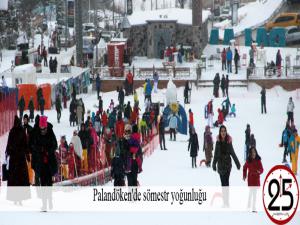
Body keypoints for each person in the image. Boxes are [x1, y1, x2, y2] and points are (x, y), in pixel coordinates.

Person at [31, 116, 58, 211]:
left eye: (44, 128)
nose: (42, 130)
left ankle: (49, 199)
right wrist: (40, 150)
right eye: (41, 128)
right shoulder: (37, 133)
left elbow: (55, 144)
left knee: (49, 183)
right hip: (41, 162)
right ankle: (44, 204)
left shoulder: (50, 132)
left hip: (49, 162)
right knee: (43, 183)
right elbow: (33, 145)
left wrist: (48, 150)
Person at [212, 125, 241, 207]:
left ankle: (226, 202)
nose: (223, 132)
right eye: (222, 131)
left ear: (226, 132)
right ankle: (225, 201)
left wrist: (237, 163)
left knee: (226, 183)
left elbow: (232, 152)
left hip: (227, 165)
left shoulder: (229, 141)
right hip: (220, 165)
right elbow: (216, 154)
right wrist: (214, 163)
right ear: (220, 132)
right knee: (223, 183)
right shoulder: (218, 142)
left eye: (224, 131)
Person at [5, 116, 31, 204]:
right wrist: (27, 155)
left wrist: (8, 153)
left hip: (14, 160)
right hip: (20, 160)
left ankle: (15, 199)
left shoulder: (12, 132)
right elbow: (25, 145)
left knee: (14, 180)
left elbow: (9, 145)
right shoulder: (22, 131)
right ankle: (20, 199)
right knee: (21, 180)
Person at [243, 147, 264, 212]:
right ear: (250, 153)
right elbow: (244, 167)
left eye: (254, 152)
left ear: (256, 152)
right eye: (252, 152)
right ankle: (249, 205)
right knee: (251, 192)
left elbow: (262, 169)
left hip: (256, 178)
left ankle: (252, 206)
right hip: (250, 178)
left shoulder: (258, 160)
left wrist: (259, 171)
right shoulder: (248, 160)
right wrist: (244, 175)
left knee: (254, 193)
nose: (253, 153)